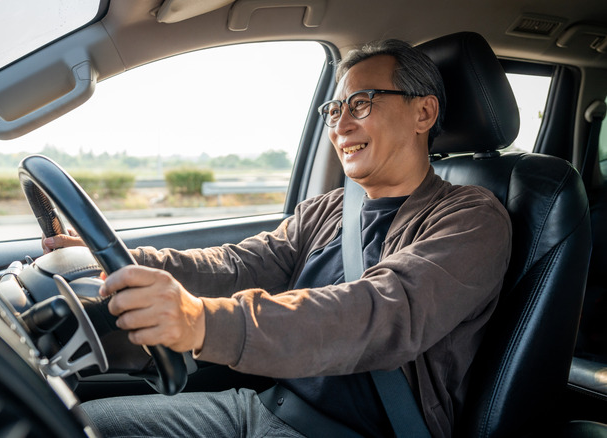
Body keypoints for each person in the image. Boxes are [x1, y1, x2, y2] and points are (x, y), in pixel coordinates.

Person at [43, 39, 512, 438]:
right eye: (335, 109)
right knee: (74, 424)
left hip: (357, 432)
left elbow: (380, 312)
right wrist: (115, 259)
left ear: (424, 111)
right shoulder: (330, 209)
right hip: (268, 407)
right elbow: (238, 264)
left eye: (362, 103)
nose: (341, 125)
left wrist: (203, 321)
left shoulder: (471, 217)